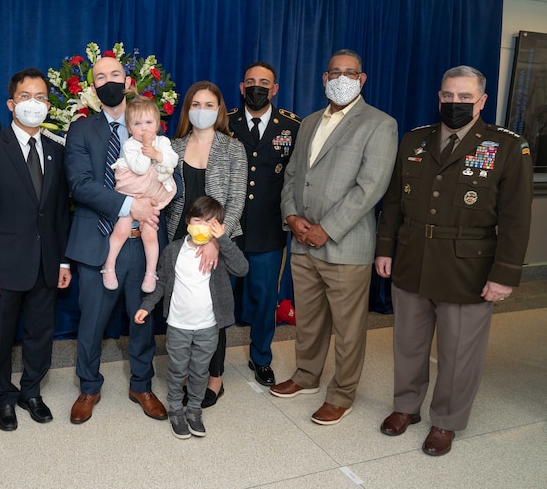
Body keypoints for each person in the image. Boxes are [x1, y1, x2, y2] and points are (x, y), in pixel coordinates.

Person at [374, 66, 532, 456]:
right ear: (439, 97)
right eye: (449, 96)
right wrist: (384, 248)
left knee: (459, 353)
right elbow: (394, 201)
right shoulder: (415, 139)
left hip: (469, 267)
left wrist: (505, 275)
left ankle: (446, 420)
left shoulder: (508, 146)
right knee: (408, 344)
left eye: (465, 97)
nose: (455, 103)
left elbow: (516, 217)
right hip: (412, 259)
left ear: (482, 101)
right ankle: (406, 407)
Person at [271, 49, 398, 426]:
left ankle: (342, 394)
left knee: (347, 327)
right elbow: (292, 175)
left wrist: (326, 228)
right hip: (302, 240)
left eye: (350, 72)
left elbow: (371, 185)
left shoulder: (379, 123)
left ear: (362, 79)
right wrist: (292, 217)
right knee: (308, 319)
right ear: (324, 79)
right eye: (335, 72)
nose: (342, 78)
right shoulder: (309, 121)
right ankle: (307, 376)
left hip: (343, 244)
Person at [64, 55, 168, 424]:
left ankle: (141, 384)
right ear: (93, 88)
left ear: (128, 82)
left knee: (141, 320)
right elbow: (79, 185)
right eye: (100, 76)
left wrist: (157, 198)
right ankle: (89, 386)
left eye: (116, 74)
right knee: (91, 322)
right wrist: (129, 205)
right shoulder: (81, 130)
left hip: (143, 244)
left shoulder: (148, 127)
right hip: (97, 242)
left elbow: (168, 173)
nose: (109, 81)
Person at [0, 68, 72, 431]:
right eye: (26, 97)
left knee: (40, 333)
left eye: (41, 97)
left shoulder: (57, 151)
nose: (34, 104)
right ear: (11, 104)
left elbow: (59, 212)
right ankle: (3, 395)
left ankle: (31, 391)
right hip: (3, 266)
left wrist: (62, 260)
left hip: (46, 263)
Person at [136, 196, 248, 439]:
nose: (202, 226)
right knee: (177, 370)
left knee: (200, 372)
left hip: (208, 327)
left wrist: (222, 239)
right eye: (198, 220)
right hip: (178, 325)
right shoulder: (174, 250)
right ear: (188, 221)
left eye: (210, 223)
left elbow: (242, 268)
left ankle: (194, 410)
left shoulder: (218, 252)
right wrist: (147, 305)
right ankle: (176, 409)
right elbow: (162, 281)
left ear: (218, 226)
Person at [166, 81, 248, 407]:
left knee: (214, 307)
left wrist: (216, 239)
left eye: (209, 104)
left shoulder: (232, 148)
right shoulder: (173, 147)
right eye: (196, 104)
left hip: (219, 238)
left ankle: (215, 378)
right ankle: (188, 374)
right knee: (184, 305)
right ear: (188, 110)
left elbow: (237, 199)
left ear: (220, 109)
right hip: (178, 236)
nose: (202, 110)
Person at [228, 61, 300, 387]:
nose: (257, 87)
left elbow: (298, 179)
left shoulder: (292, 127)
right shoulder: (224, 123)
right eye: (251, 82)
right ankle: (212, 360)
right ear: (242, 88)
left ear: (275, 89)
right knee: (218, 297)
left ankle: (261, 357)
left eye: (264, 82)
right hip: (227, 229)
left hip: (269, 230)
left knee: (265, 299)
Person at [103, 94, 179, 294]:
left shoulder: (162, 142)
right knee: (121, 229)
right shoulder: (130, 145)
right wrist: (148, 151)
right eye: (137, 123)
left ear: (157, 125)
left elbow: (172, 160)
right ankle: (109, 266)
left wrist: (158, 154)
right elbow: (138, 168)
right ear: (129, 128)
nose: (144, 128)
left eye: (148, 122)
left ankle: (151, 272)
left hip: (151, 195)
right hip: (132, 194)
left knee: (150, 234)